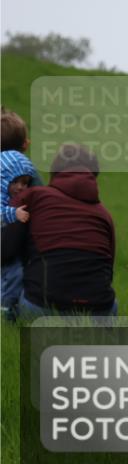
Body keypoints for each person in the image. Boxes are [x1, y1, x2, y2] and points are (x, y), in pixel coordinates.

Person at [1, 143, 117, 319]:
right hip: (99, 313)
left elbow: (6, 251)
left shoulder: (32, 198)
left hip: (42, 307)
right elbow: (108, 270)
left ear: (55, 171)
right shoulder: (104, 215)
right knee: (113, 304)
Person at [1, 107, 42, 320]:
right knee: (14, 275)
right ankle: (9, 314)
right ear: (25, 144)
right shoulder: (28, 171)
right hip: (15, 240)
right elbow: (41, 200)